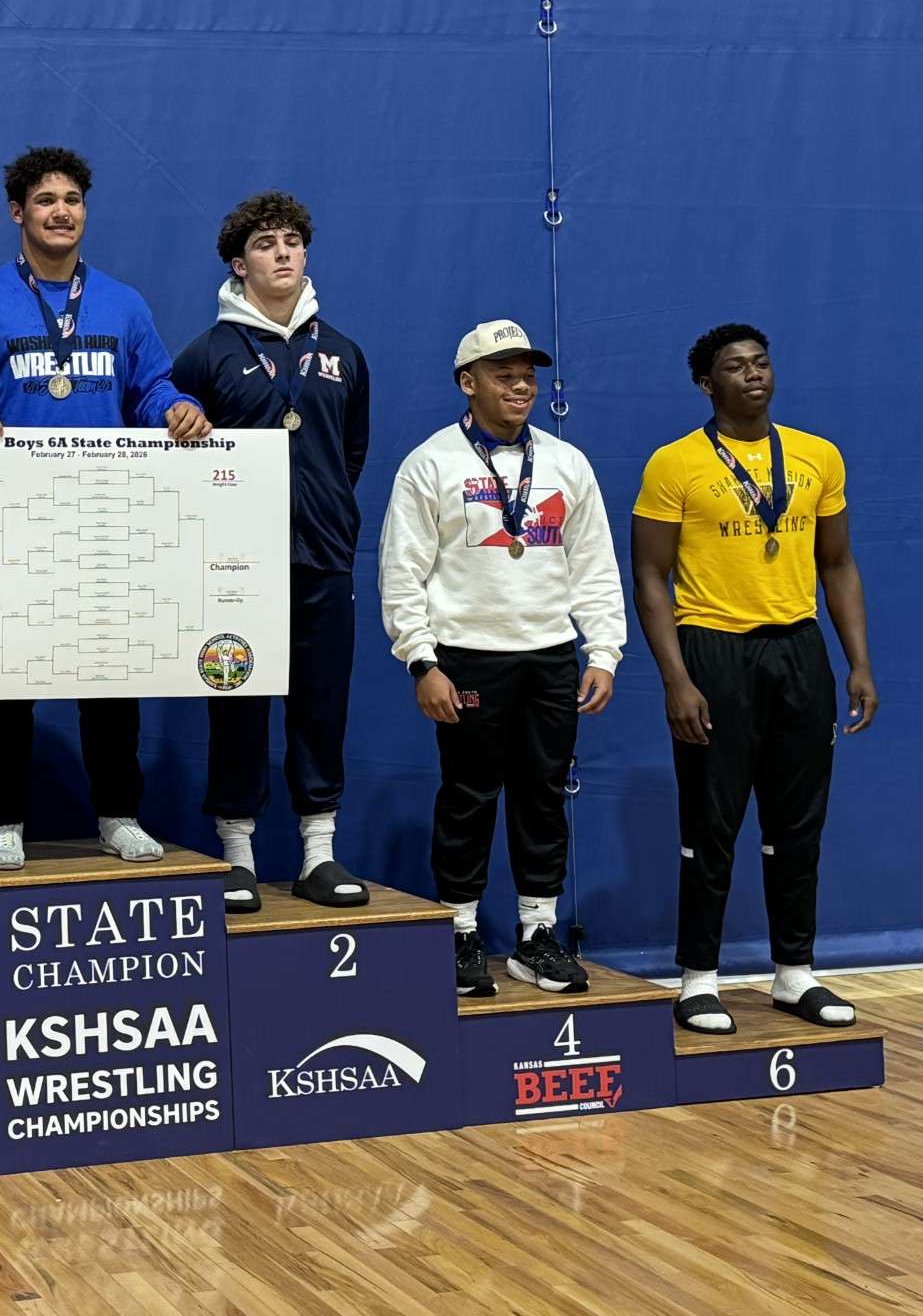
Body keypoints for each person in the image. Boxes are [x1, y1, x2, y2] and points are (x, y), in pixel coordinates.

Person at [0, 145, 212, 871]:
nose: (61, 212)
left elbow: (152, 389)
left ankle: (118, 814)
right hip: (12, 520)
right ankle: (2, 821)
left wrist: (179, 409)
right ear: (18, 213)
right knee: (5, 677)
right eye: (45, 200)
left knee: (110, 676)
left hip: (103, 518)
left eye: (73, 200)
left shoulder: (121, 302)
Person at [630, 323, 875, 1034]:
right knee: (711, 825)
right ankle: (697, 978)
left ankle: (794, 973)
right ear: (707, 384)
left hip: (798, 652)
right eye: (734, 367)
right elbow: (650, 574)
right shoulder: (675, 464)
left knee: (798, 824)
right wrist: (676, 679)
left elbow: (837, 564)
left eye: (761, 363)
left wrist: (856, 661)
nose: (752, 375)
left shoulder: (815, 456)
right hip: (713, 650)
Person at [378, 320, 626, 998]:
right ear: (468, 383)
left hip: (548, 656)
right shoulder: (431, 463)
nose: (521, 384)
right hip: (466, 658)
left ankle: (535, 936)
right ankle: (459, 933)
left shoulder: (566, 463)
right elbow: (400, 571)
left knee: (543, 796)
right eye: (503, 373)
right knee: (468, 797)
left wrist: (602, 649)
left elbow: (594, 565)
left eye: (528, 373)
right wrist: (422, 662)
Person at [172, 191, 371, 911]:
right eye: (265, 243)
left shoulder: (343, 353)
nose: (283, 252)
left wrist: (319, 515)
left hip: (321, 559)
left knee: (321, 707)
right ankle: (238, 857)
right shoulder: (207, 355)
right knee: (237, 704)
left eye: (293, 241)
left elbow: (350, 454)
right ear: (238, 262)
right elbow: (182, 455)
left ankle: (318, 854)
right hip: (234, 568)